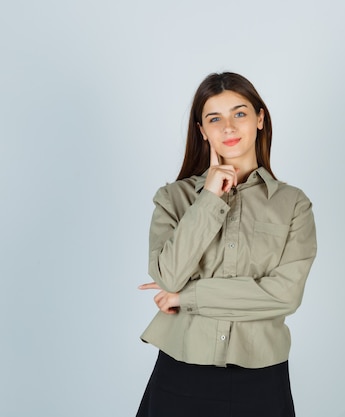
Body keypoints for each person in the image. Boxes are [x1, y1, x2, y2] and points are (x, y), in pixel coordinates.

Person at [135, 72, 317, 417]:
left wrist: (187, 298)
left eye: (240, 113)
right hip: (180, 372)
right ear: (202, 130)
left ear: (260, 119)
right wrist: (208, 200)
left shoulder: (293, 205)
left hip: (261, 380)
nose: (228, 127)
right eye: (214, 118)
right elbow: (169, 276)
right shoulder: (173, 199)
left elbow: (284, 296)